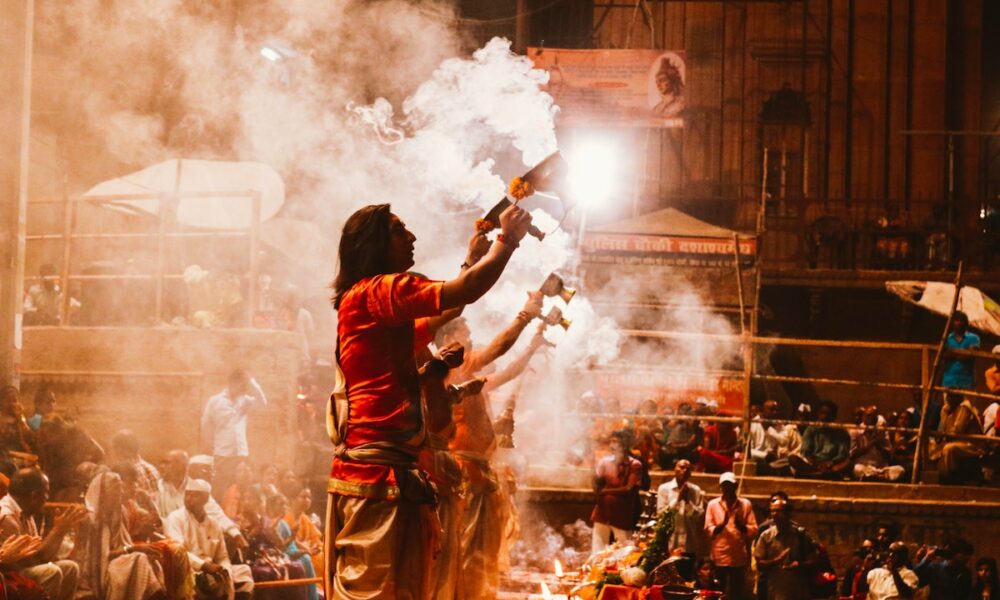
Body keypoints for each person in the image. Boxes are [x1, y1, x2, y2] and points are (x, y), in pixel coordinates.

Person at [327, 202, 533, 599]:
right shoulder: (379, 289)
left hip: (391, 471)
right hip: (379, 476)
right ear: (374, 245)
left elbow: (451, 307)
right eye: (399, 230)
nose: (412, 237)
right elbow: (466, 293)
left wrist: (471, 257)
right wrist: (507, 241)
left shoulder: (376, 307)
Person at [439, 299, 546, 600]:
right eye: (465, 335)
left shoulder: (467, 378)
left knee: (480, 546)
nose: (471, 341)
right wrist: (525, 314)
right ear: (448, 340)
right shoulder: (448, 371)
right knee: (466, 546)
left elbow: (507, 373)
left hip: (477, 470)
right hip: (463, 472)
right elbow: (497, 351)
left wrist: (532, 348)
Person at [80, 470, 183, 600]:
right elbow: (101, 558)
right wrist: (134, 549)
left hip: (119, 561)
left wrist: (135, 549)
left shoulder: (119, 512)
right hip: (98, 571)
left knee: (150, 560)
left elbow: (153, 523)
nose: (121, 492)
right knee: (139, 559)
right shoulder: (92, 521)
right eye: (117, 489)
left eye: (122, 487)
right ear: (105, 492)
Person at [0, 468, 88, 600]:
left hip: (23, 568)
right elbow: (33, 560)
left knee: (70, 568)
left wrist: (61, 531)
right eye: (46, 493)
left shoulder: (25, 512)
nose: (47, 499)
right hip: (9, 575)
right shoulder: (7, 516)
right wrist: (58, 530)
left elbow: (42, 556)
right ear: (34, 496)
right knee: (51, 572)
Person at [163, 479, 254, 600]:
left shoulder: (214, 523)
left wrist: (225, 571)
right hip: (189, 570)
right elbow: (178, 552)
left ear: (205, 499)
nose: (188, 498)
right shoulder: (175, 518)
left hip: (212, 570)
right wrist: (204, 566)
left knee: (244, 572)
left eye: (194, 495)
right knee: (211, 580)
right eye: (187, 494)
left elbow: (222, 557)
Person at [200, 369, 267, 499]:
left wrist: (252, 382)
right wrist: (214, 445)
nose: (243, 388)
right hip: (222, 455)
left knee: (243, 492)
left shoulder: (245, 401)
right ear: (232, 383)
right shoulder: (214, 401)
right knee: (220, 491)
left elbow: (263, 403)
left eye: (245, 385)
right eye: (241, 384)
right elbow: (206, 426)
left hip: (241, 454)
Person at [704, 471, 758, 600]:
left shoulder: (745, 504)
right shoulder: (713, 504)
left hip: (738, 556)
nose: (727, 489)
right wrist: (722, 524)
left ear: (736, 486)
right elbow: (708, 529)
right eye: (724, 485)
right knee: (718, 591)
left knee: (737, 592)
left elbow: (754, 529)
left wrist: (741, 526)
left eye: (730, 485)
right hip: (719, 556)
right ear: (721, 487)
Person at [591, 430, 643, 553]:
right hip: (603, 511)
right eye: (611, 442)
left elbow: (629, 489)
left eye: (615, 442)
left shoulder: (635, 464)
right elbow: (596, 481)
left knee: (625, 549)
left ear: (624, 445)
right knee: (598, 549)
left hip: (622, 513)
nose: (612, 445)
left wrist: (605, 491)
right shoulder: (605, 462)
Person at [753, 497, 814, 600]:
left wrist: (799, 565)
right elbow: (760, 565)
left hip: (798, 592)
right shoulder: (766, 536)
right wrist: (777, 560)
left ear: (788, 513)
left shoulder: (800, 535)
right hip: (774, 591)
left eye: (779, 511)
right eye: (773, 511)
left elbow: (813, 561)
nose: (775, 515)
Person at [656, 458, 706, 560]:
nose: (685, 471)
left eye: (688, 469)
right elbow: (661, 514)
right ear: (675, 469)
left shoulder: (695, 490)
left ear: (690, 473)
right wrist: (677, 499)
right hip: (669, 542)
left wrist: (687, 501)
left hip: (689, 543)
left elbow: (699, 517)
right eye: (682, 467)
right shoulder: (664, 489)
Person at [790, 400, 851, 479]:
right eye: (822, 413)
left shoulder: (841, 431)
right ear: (818, 414)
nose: (825, 417)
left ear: (834, 416)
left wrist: (830, 463)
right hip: (814, 463)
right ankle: (821, 474)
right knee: (793, 459)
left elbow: (843, 453)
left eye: (829, 414)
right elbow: (806, 451)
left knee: (848, 463)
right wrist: (817, 464)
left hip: (832, 464)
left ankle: (812, 474)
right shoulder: (811, 429)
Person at [930, 394, 983, 484]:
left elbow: (958, 429)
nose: (950, 399)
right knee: (931, 447)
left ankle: (953, 479)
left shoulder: (965, 407)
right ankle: (938, 478)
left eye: (953, 396)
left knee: (949, 449)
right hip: (955, 440)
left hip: (971, 444)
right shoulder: (946, 409)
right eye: (949, 396)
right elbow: (943, 428)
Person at [282, 487, 324, 588]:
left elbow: (315, 538)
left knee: (324, 555)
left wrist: (318, 547)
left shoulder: (305, 518)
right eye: (303, 497)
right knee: (313, 559)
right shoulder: (285, 516)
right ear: (293, 499)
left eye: (309, 497)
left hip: (307, 550)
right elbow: (289, 539)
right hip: (291, 551)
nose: (307, 500)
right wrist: (307, 549)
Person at [851, 406, 905, 482]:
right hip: (864, 467)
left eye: (874, 417)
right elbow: (853, 455)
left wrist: (879, 442)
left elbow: (888, 456)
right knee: (857, 469)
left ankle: (874, 477)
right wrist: (875, 440)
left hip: (881, 468)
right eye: (868, 416)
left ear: (877, 418)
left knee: (900, 470)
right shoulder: (856, 431)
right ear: (863, 417)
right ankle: (879, 477)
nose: (871, 419)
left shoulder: (882, 431)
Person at [749, 400, 801, 475]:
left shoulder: (778, 424)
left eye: (776, 410)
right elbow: (749, 451)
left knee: (791, 460)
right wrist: (765, 455)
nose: (775, 412)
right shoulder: (753, 424)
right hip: (758, 460)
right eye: (772, 409)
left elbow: (784, 442)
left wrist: (770, 430)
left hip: (774, 462)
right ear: (764, 410)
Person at [110, 429, 161, 497]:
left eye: (114, 448)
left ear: (121, 449)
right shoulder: (152, 468)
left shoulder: (125, 472)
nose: (113, 453)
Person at [941, 312, 980, 391]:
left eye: (961, 320)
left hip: (966, 382)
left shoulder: (973, 338)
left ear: (966, 323)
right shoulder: (946, 338)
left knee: (965, 403)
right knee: (948, 403)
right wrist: (963, 353)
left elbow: (969, 356)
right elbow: (943, 355)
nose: (959, 323)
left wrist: (952, 354)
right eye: (956, 320)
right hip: (949, 380)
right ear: (952, 322)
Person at [0, 386, 35, 456]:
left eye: (15, 401)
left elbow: (31, 440)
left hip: (22, 457)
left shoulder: (22, 419)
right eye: (8, 401)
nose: (12, 404)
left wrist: (21, 421)